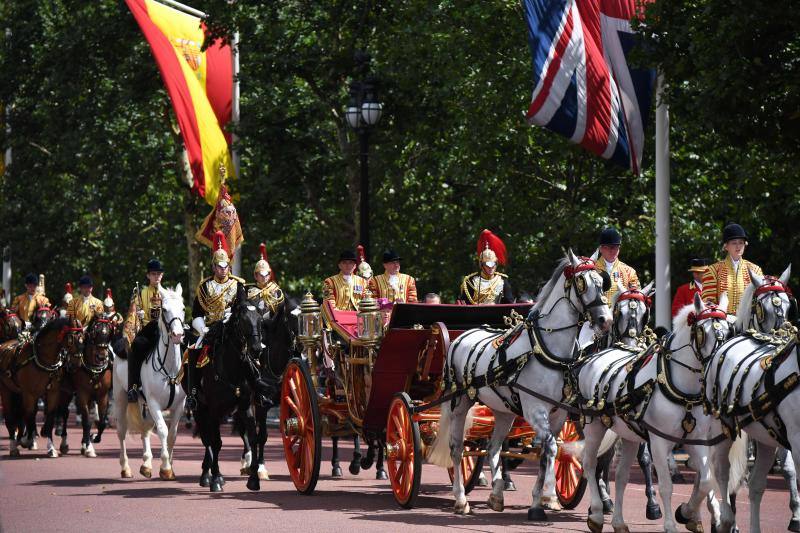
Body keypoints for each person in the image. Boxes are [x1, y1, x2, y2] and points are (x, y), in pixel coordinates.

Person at [186, 232, 272, 409]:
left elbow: (243, 307)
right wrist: (202, 329)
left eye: (226, 266)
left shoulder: (238, 284)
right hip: (209, 329)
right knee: (192, 353)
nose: (223, 269)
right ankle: (192, 394)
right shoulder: (204, 287)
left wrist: (232, 316)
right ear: (214, 267)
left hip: (232, 327)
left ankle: (259, 392)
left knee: (249, 356)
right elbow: (196, 313)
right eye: (219, 266)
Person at [126, 259, 165, 402]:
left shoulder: (167, 294)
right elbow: (132, 315)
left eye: (159, 274)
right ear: (148, 276)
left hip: (164, 331)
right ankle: (134, 386)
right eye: (154, 274)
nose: (157, 277)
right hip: (148, 331)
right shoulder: (140, 294)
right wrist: (138, 315)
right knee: (136, 345)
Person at [702, 222, 763, 314]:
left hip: (749, 324)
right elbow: (708, 303)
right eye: (734, 243)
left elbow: (761, 299)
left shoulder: (755, 270)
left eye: (741, 243)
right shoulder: (713, 270)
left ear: (745, 244)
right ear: (726, 246)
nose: (738, 247)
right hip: (722, 323)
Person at [458, 229, 514, 304]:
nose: (491, 268)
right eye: (487, 265)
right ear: (481, 265)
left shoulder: (503, 281)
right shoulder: (471, 282)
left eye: (493, 264)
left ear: (496, 264)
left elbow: (509, 304)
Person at [595, 227, 639, 302]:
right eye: (609, 247)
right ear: (601, 249)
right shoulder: (592, 269)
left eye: (616, 247)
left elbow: (636, 299)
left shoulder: (629, 272)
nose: (613, 251)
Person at [248, 243, 285, 316]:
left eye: (266, 275)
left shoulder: (276, 290)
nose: (264, 277)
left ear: (269, 275)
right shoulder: (250, 292)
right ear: (256, 276)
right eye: (261, 275)